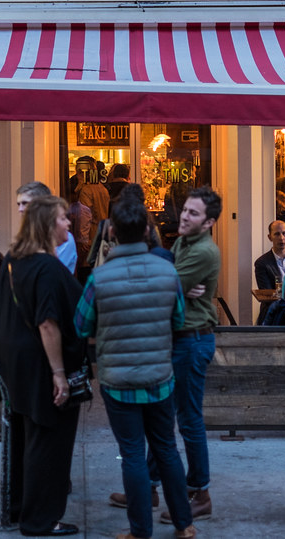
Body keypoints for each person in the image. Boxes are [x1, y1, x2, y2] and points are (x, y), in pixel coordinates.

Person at [74, 198, 197, 539]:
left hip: (117, 380)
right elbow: (178, 319)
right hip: (159, 377)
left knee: (131, 454)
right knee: (167, 449)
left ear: (111, 232)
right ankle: (184, 524)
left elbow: (81, 325)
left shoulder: (99, 277)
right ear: (147, 230)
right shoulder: (167, 272)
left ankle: (139, 530)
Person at [0, 195, 84, 537]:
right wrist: (59, 373)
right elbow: (48, 323)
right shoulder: (45, 267)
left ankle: (19, 509)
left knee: (22, 438)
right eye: (62, 219)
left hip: (16, 364)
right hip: (41, 366)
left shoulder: (17, 258)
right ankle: (42, 519)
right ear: (47, 225)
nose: (69, 223)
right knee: (48, 440)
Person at [159, 185, 222, 525]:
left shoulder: (204, 252)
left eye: (193, 213)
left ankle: (200, 492)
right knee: (162, 414)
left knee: (188, 419)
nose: (184, 216)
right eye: (185, 209)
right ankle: (152, 484)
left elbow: (163, 287)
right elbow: (170, 279)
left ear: (209, 222)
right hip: (179, 339)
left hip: (192, 341)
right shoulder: (184, 242)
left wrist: (175, 282)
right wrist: (176, 280)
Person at [17, 181, 77, 275]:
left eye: (25, 203)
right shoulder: (24, 239)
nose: (20, 209)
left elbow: (52, 274)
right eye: (19, 204)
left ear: (42, 205)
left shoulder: (62, 238)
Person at [254, 220, 285, 320]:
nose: (281, 238)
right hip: (275, 312)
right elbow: (268, 295)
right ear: (269, 237)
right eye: (277, 234)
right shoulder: (262, 263)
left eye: (284, 233)